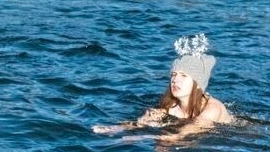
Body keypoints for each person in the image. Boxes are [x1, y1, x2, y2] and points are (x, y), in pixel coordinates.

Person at [92, 34, 232, 140]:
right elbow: (143, 123)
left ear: (198, 84)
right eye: (173, 74)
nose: (175, 80)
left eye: (183, 76)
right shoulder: (171, 107)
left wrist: (144, 137)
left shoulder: (213, 109)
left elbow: (189, 131)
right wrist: (119, 128)